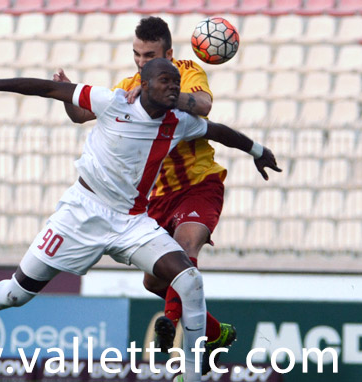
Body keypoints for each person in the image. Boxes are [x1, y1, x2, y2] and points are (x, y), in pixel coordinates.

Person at [0, 59, 280, 382]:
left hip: (131, 222)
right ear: (144, 85)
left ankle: (191, 374)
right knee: (17, 295)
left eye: (176, 83)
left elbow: (219, 132)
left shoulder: (178, 122)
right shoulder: (111, 102)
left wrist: (257, 150)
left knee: (190, 279)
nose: (173, 87)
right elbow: (46, 89)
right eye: (165, 81)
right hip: (81, 213)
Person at [53, 17, 281, 370]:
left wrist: (161, 96)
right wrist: (67, 93)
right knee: (151, 280)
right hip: (156, 196)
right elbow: (80, 114)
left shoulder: (187, 71)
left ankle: (172, 325)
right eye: (137, 55)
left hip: (197, 185)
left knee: (186, 247)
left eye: (150, 55)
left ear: (169, 54)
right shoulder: (131, 85)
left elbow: (204, 107)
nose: (142, 62)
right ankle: (215, 332)